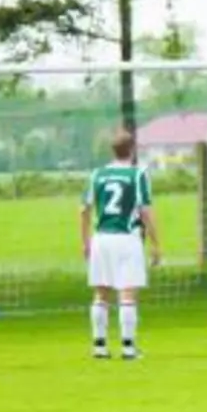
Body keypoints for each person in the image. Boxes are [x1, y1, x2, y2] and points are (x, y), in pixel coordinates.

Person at [81, 131, 162, 360]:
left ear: (112, 151)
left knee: (101, 292)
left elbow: (84, 210)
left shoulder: (97, 174)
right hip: (127, 238)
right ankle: (128, 347)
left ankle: (99, 346)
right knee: (127, 293)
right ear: (133, 150)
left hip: (101, 238)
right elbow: (145, 210)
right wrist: (156, 244)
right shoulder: (138, 175)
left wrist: (85, 242)